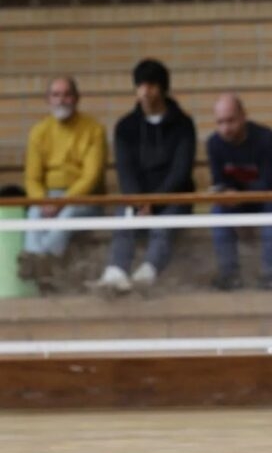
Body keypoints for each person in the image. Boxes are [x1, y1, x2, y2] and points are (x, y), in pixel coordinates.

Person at [94, 59, 196, 293]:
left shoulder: (183, 124)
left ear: (162, 88)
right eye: (140, 85)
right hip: (137, 199)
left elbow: (181, 170)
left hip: (174, 197)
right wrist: (138, 200)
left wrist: (156, 200)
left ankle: (148, 272)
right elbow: (125, 169)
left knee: (163, 225)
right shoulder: (125, 126)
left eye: (151, 85)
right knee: (123, 217)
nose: (145, 91)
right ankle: (116, 271)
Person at [19, 76, 107, 291]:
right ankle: (39, 262)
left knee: (68, 213)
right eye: (56, 95)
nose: (61, 100)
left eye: (67, 94)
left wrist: (62, 202)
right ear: (47, 100)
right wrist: (43, 201)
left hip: (84, 198)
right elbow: (32, 178)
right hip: (48, 196)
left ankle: (41, 260)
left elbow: (91, 176)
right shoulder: (39, 132)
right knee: (33, 213)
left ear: (77, 99)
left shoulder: (94, 130)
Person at [206, 93, 272, 290]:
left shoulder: (267, 139)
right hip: (240, 201)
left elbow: (271, 182)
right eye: (220, 122)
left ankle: (271, 274)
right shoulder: (214, 143)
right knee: (217, 210)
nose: (226, 128)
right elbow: (218, 181)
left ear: (243, 116)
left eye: (230, 120)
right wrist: (223, 193)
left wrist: (238, 196)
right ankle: (229, 274)